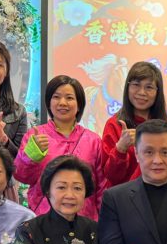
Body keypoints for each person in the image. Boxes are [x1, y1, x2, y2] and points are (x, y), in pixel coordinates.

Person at [13, 75, 104, 220]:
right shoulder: (35, 136)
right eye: (56, 97)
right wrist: (32, 155)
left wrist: (103, 221)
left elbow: (101, 186)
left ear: (79, 104)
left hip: (85, 221)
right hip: (44, 218)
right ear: (49, 103)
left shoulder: (94, 140)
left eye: (69, 98)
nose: (62, 103)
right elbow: (21, 176)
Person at [99, 61, 167, 198]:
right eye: (136, 85)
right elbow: (111, 176)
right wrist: (121, 148)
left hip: (160, 196)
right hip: (125, 200)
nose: (142, 92)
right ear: (127, 87)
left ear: (158, 92)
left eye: (149, 87)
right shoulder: (114, 124)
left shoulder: (166, 124)